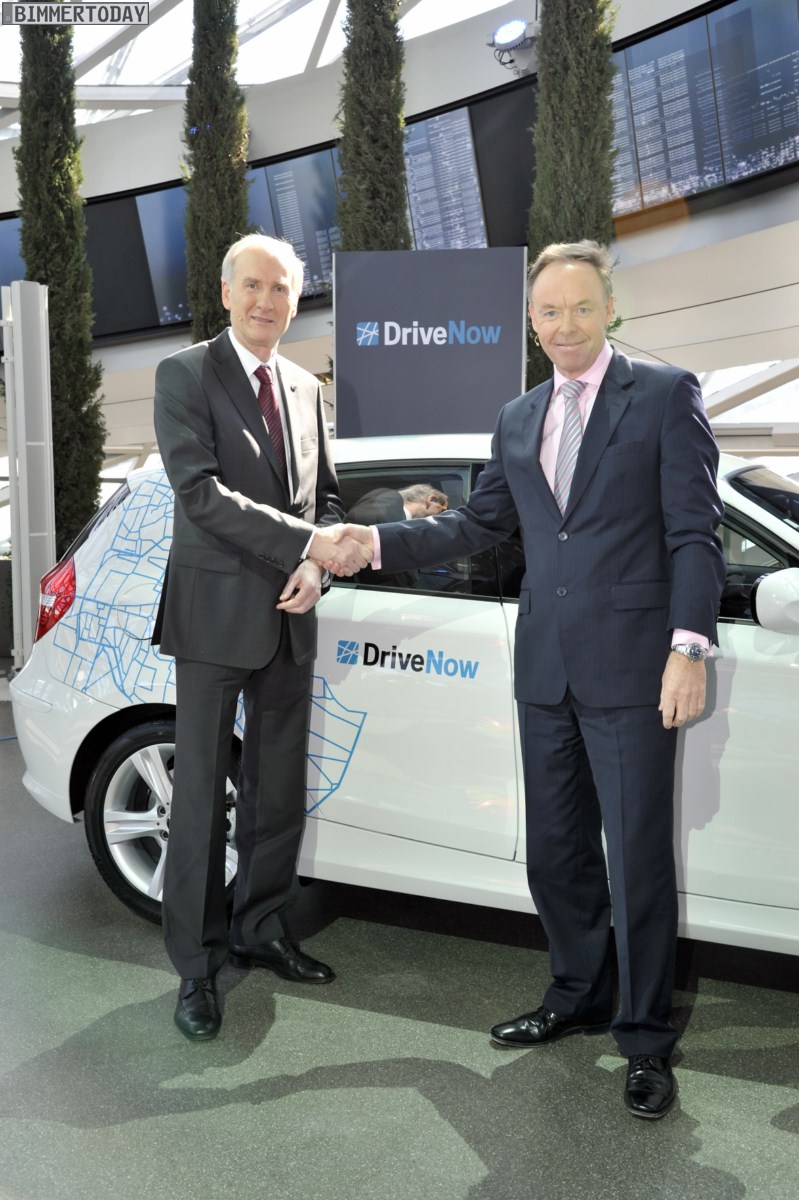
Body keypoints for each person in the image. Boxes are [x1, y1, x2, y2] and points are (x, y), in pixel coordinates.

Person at [332, 241, 726, 1118]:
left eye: (580, 307)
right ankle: (576, 993)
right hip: (544, 668)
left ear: (610, 309)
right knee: (555, 852)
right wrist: (377, 541)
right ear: (531, 321)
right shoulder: (516, 418)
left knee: (637, 861)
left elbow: (692, 534)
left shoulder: (664, 395)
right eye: (548, 311)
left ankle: (644, 1038)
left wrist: (688, 648)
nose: (564, 325)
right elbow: (477, 525)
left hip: (634, 672)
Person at [152, 233, 370, 1041]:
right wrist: (306, 543)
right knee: (200, 805)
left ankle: (262, 928)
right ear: (224, 293)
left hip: (291, 614)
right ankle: (196, 967)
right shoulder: (184, 374)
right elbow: (200, 495)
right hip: (213, 619)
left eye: (280, 288)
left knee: (276, 793)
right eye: (252, 285)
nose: (266, 301)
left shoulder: (306, 388)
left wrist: (316, 568)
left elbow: (330, 501)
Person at [346, 485, 448, 588]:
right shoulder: (390, 499)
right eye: (442, 512)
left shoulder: (407, 530)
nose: (441, 518)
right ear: (432, 500)